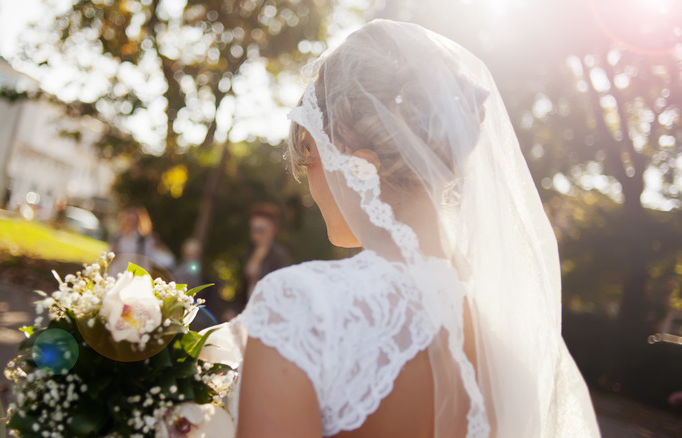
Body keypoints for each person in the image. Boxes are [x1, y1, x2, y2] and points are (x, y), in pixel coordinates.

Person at [203, 19, 601, 437]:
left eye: (309, 153)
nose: (309, 182)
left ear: (348, 154)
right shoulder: (513, 347)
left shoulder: (303, 306)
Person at [232, 203, 290, 315]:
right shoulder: (250, 252)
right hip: (248, 312)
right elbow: (243, 288)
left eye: (260, 229)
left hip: (268, 314)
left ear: (272, 230)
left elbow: (281, 291)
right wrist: (234, 309)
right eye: (253, 229)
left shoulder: (279, 256)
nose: (255, 234)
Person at [108, 205, 175, 278]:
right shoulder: (117, 237)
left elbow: (164, 260)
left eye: (133, 220)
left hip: (133, 277)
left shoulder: (145, 240)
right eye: (128, 220)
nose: (130, 223)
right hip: (115, 275)